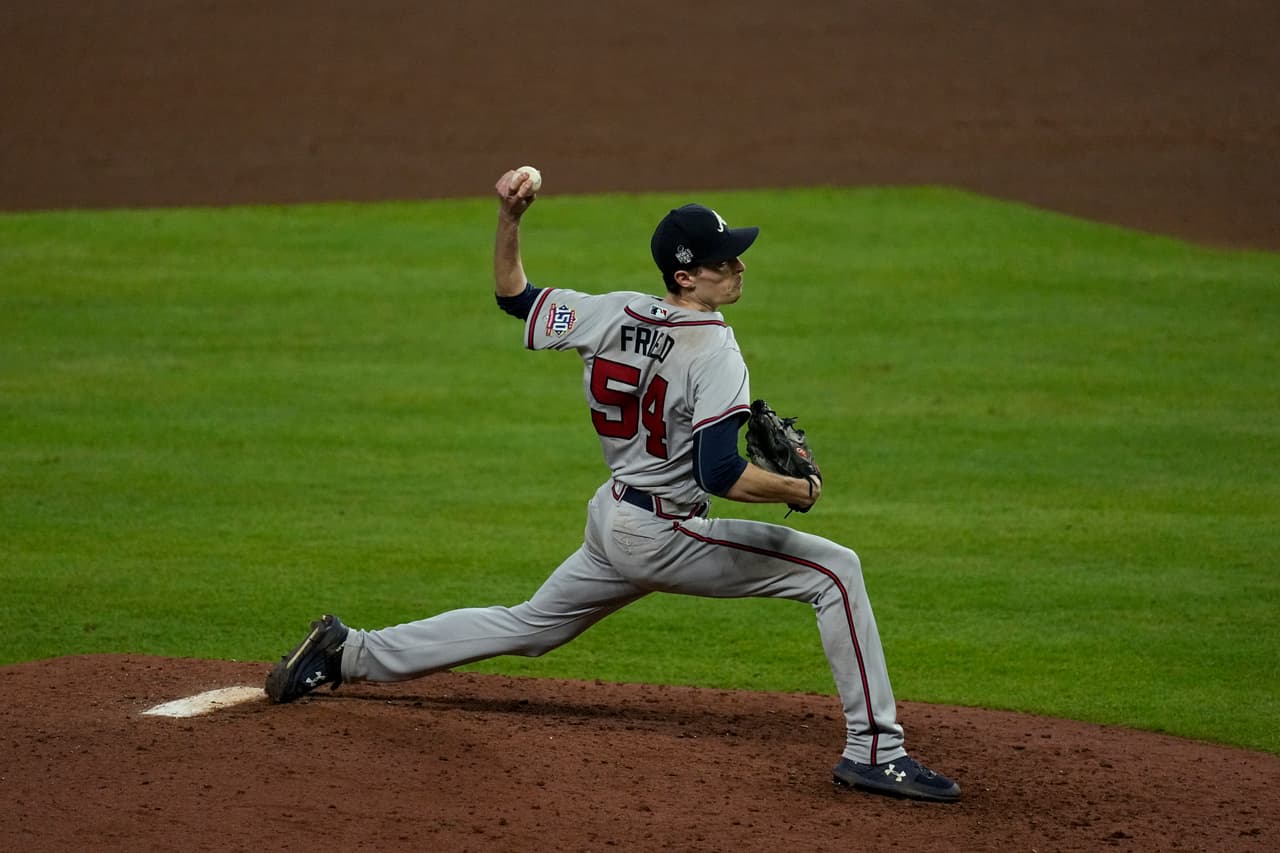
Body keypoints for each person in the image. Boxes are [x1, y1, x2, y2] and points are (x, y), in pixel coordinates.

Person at [265, 167, 961, 803]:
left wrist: (510, 218)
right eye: (724, 259)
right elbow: (721, 473)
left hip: (616, 520)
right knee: (835, 571)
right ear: (687, 277)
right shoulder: (715, 348)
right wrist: (796, 489)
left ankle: (346, 651)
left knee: (528, 626)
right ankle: (876, 749)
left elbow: (516, 298)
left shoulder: (613, 312)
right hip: (664, 532)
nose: (739, 265)